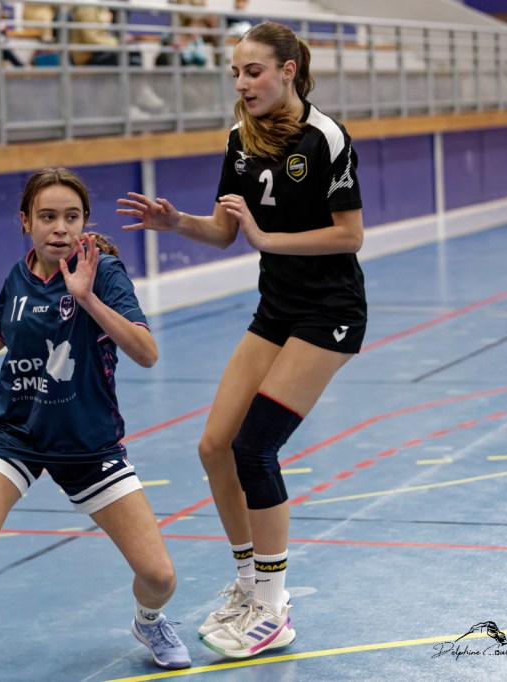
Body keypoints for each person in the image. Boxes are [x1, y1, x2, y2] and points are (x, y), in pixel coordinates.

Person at [117, 21, 366, 659]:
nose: (242, 83)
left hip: (329, 314)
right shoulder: (240, 137)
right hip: (276, 311)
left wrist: (267, 239)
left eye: (253, 71)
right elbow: (225, 231)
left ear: (288, 70)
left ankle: (274, 608)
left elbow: (349, 235)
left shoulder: (326, 137)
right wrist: (177, 222)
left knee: (256, 447)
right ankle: (250, 582)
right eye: (236, 73)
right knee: (214, 447)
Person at [0, 167, 191, 681]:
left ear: (84, 221)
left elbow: (147, 352)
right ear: (26, 221)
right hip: (14, 431)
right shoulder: (20, 274)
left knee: (159, 576)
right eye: (47, 217)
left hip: (88, 441)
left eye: (71, 217)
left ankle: (148, 621)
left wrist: (87, 297)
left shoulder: (104, 273)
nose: (59, 228)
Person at [68, 5, 166, 114]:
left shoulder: (101, 7)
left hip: (102, 51)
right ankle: (126, 105)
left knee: (134, 54)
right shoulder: (87, 7)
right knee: (124, 60)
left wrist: (120, 43)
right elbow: (91, 39)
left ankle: (138, 94)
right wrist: (118, 43)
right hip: (88, 55)